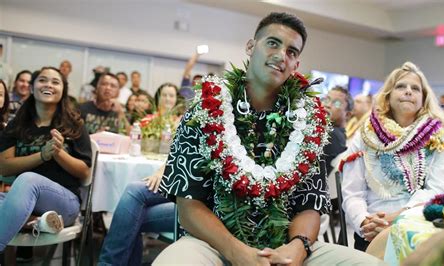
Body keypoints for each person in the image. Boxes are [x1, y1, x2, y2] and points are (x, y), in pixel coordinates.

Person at [155, 12, 381, 265]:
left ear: (296, 64)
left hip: (286, 244)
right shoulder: (205, 109)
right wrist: (237, 252)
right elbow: (188, 208)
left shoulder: (309, 122)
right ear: (251, 47)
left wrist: (298, 247)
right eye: (272, 43)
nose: (281, 55)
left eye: (291, 52)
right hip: (211, 244)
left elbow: (310, 203)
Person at [341, 62, 444, 252]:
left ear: (424, 99)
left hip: (418, 228)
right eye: (400, 86)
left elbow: (438, 189)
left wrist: (397, 218)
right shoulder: (365, 134)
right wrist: (365, 223)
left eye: (415, 88)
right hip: (371, 227)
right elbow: (352, 192)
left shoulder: (441, 138)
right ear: (388, 96)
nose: (408, 91)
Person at [0, 66, 92, 251]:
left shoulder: (74, 125)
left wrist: (58, 153)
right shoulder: (16, 125)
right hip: (21, 199)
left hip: (65, 202)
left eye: (55, 81)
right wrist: (42, 155)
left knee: (28, 179)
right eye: (42, 80)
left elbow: (84, 172)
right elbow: (4, 167)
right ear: (32, 87)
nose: (48, 84)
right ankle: (37, 222)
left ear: (63, 90)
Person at [98, 84, 185, 266]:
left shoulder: (182, 122)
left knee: (129, 212)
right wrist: (164, 169)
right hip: (178, 189)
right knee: (130, 212)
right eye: (164, 95)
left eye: (171, 95)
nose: (168, 99)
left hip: (195, 202)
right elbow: (180, 154)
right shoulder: (149, 120)